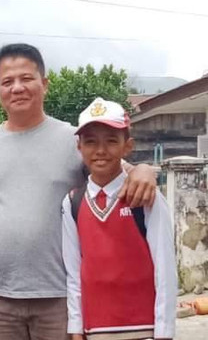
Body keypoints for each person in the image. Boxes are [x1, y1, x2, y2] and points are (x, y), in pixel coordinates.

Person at [0, 43, 157, 340]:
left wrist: (143, 170)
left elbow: (117, 170)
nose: (17, 88)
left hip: (60, 295)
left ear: (44, 84)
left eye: (26, 78)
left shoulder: (73, 141)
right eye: (7, 81)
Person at [62, 97, 176, 340]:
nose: (101, 150)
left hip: (143, 329)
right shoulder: (73, 202)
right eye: (90, 142)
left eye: (111, 141)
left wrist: (164, 333)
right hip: (94, 330)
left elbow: (165, 270)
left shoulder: (146, 196)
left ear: (128, 146)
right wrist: (75, 328)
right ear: (79, 147)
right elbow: (74, 273)